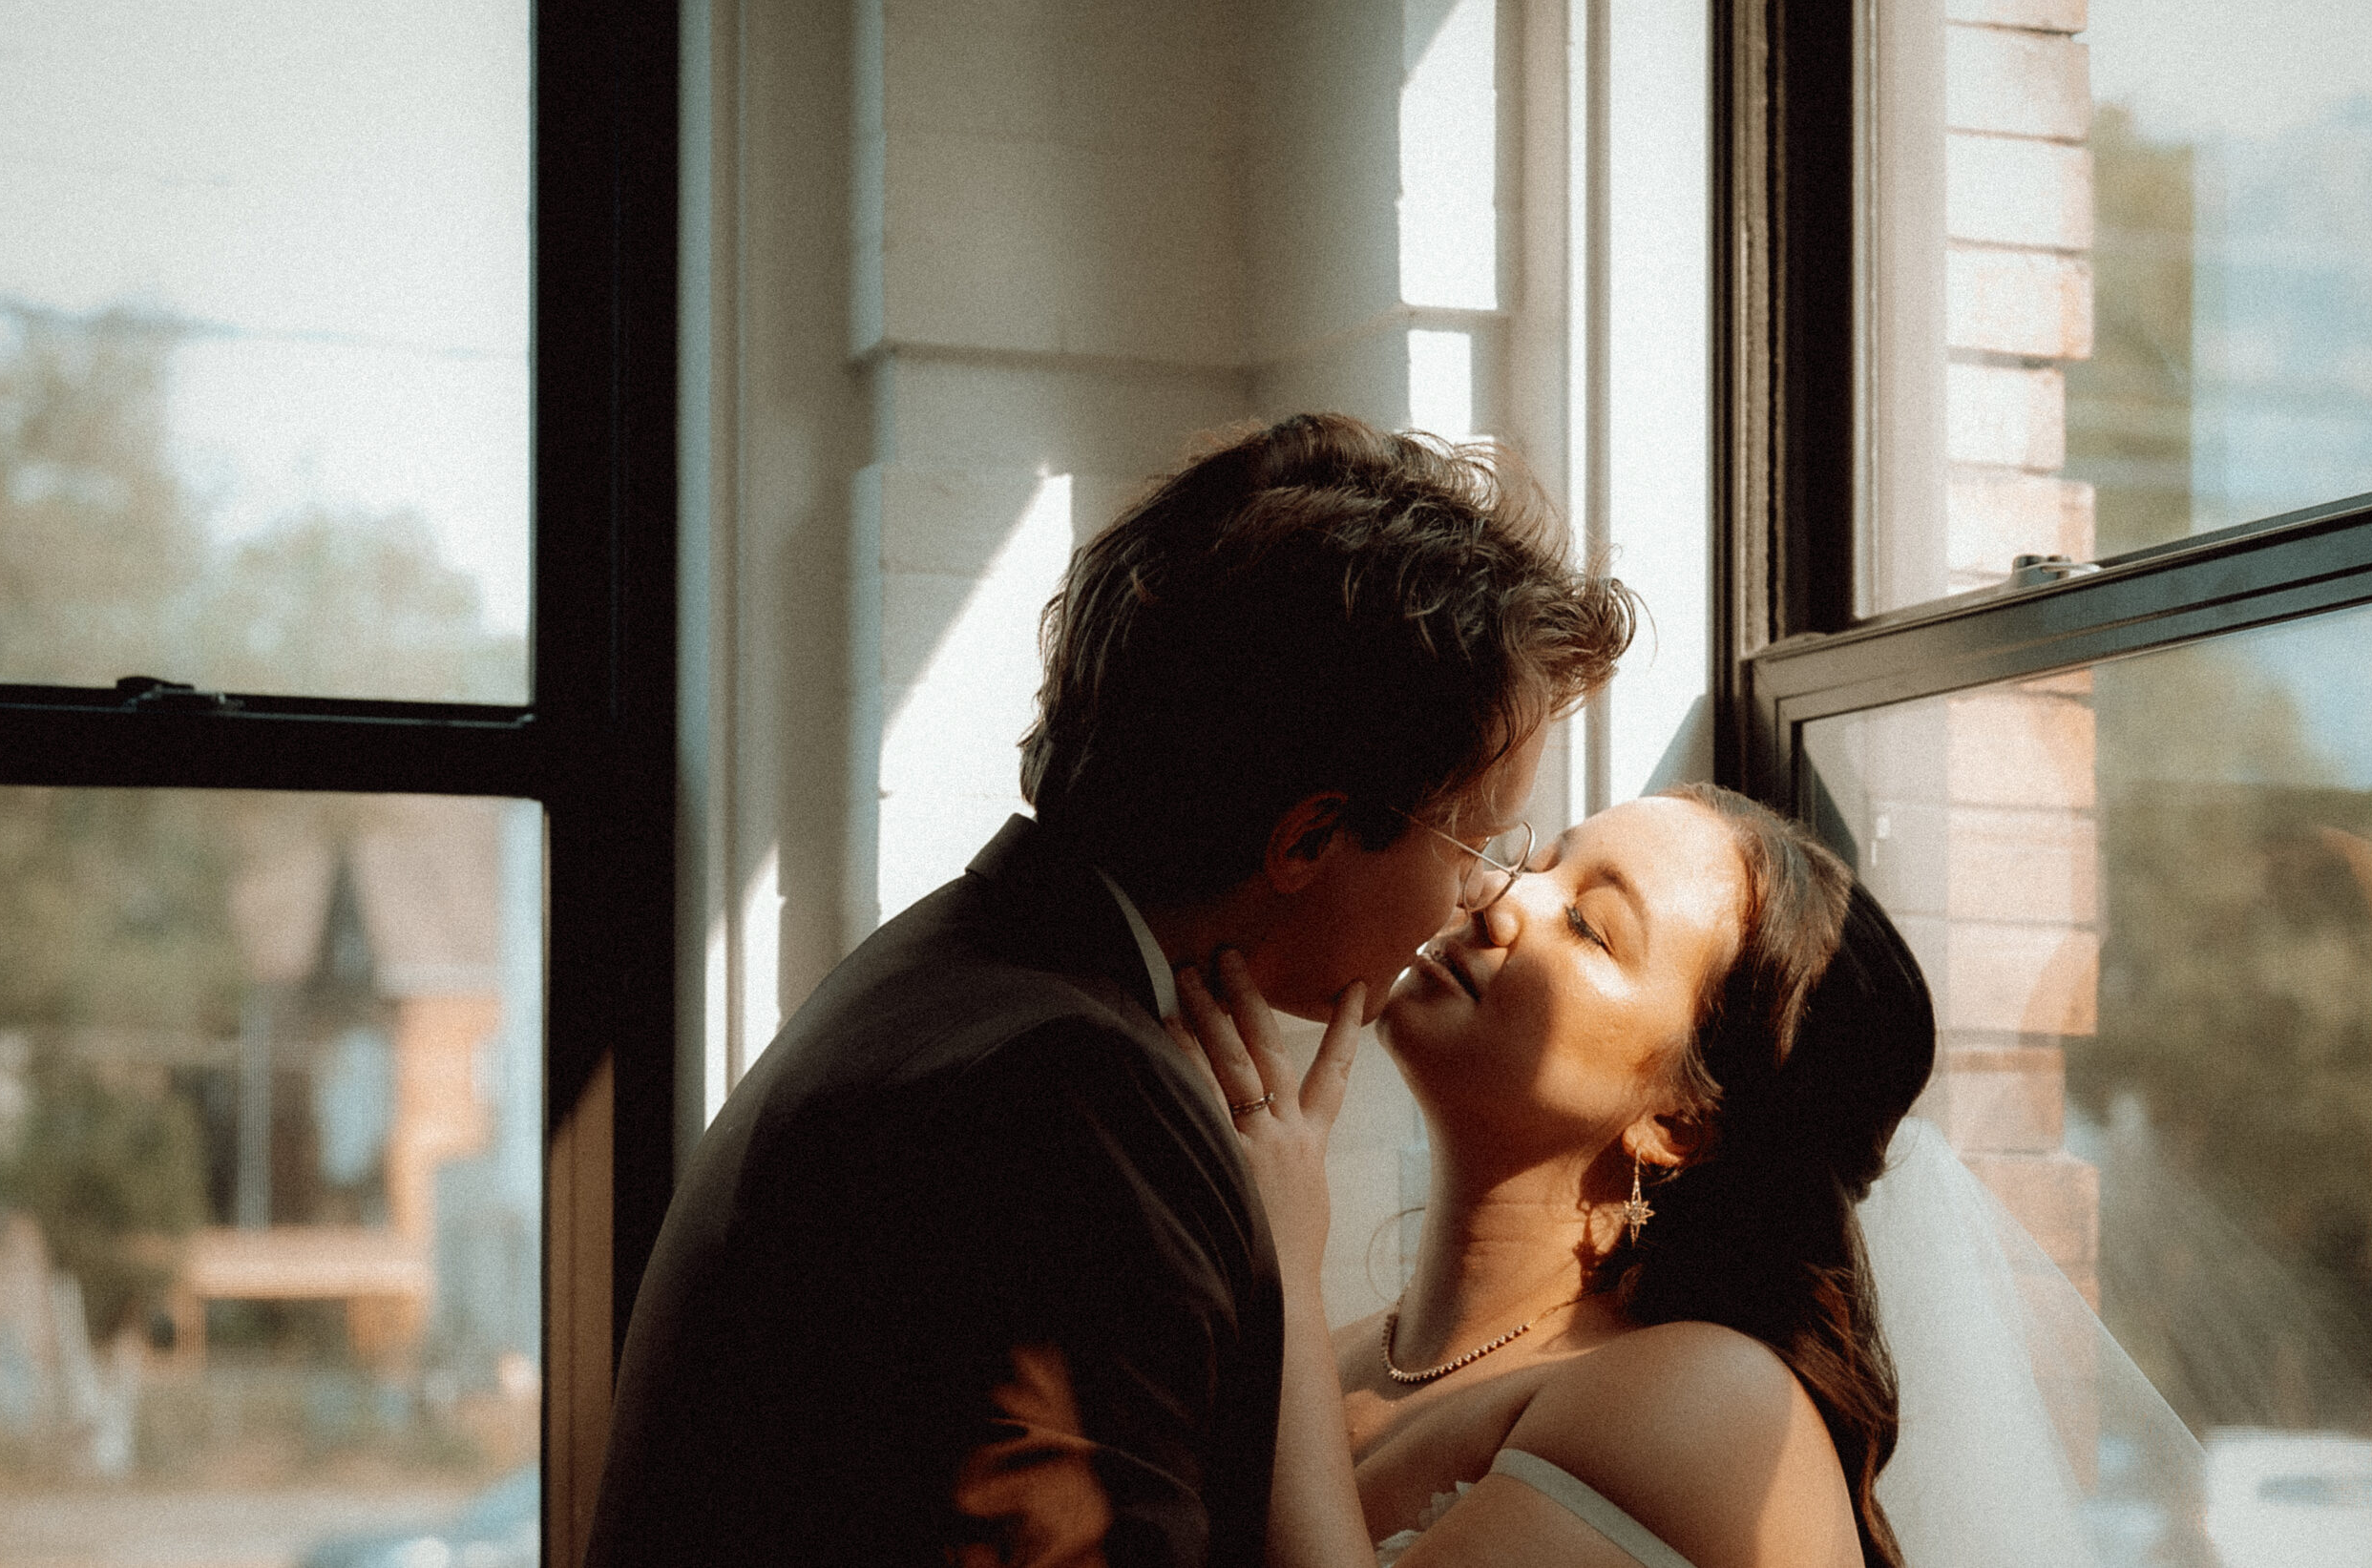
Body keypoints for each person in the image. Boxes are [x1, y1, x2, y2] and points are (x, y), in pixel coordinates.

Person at [584, 413, 1635, 1567]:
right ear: (1311, 835)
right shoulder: (1068, 1097)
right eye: (1472, 835)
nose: (1482, 892)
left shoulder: (958, 976)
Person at [1173, 784, 1939, 1567]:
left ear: (1677, 1126)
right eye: (1529, 862)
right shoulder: (1332, 1356)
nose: (1491, 897)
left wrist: (1283, 1274)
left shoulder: (1715, 1401)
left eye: (1588, 926)